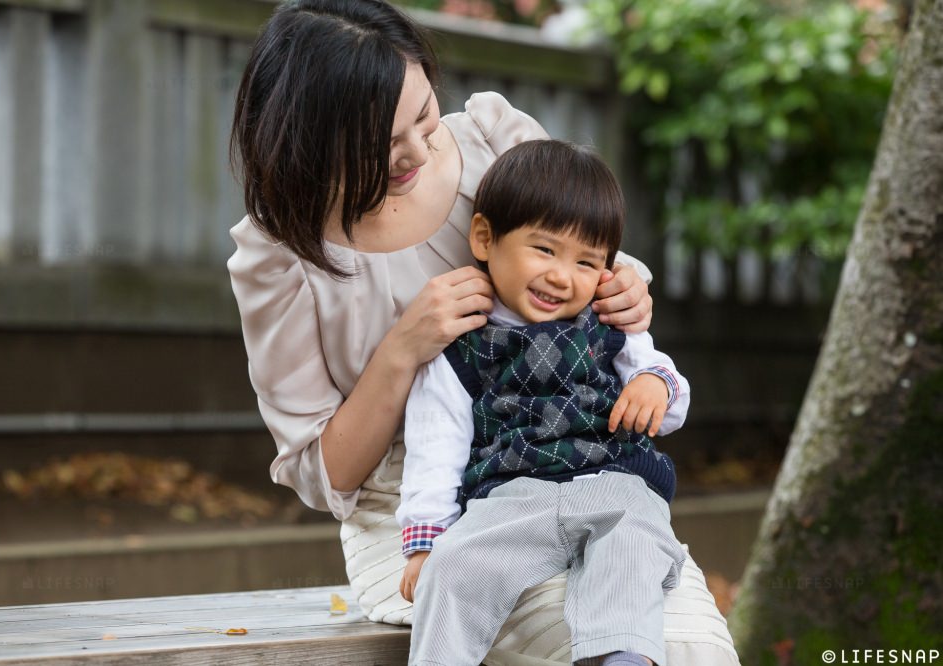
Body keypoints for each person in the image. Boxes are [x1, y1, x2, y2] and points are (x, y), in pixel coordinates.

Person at [227, 1, 740, 664]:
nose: (417, 152)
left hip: (581, 472)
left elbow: (593, 261)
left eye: (424, 117)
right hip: (419, 516)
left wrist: (624, 290)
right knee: (569, 641)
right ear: (314, 143)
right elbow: (322, 474)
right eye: (384, 146)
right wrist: (404, 347)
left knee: (688, 648)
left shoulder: (491, 140)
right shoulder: (278, 255)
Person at [397, 140, 688, 666]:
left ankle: (621, 654)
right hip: (513, 499)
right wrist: (425, 541)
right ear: (485, 238)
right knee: (455, 564)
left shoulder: (609, 323)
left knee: (634, 545)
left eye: (586, 261)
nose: (562, 276)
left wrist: (654, 385)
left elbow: (667, 402)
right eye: (545, 250)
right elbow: (434, 444)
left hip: (616, 482)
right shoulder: (464, 344)